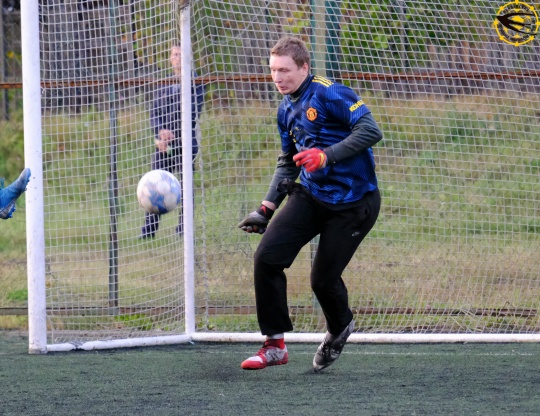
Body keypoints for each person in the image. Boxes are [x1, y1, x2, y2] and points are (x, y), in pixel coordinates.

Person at [237, 36, 383, 372]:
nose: (277, 77)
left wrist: (325, 156)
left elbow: (371, 130)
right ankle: (274, 345)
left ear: (304, 68)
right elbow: (288, 162)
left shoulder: (330, 93)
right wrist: (265, 209)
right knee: (267, 258)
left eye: (285, 70)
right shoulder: (285, 109)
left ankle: (339, 327)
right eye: (273, 70)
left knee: (322, 281)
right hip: (312, 195)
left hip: (354, 203)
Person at [140, 45, 205, 238]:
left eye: (181, 54)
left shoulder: (196, 83)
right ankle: (148, 232)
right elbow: (154, 113)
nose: (177, 57)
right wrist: (159, 134)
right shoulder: (164, 83)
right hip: (163, 146)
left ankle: (183, 230)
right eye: (174, 54)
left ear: (188, 57)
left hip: (185, 144)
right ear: (170, 58)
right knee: (154, 185)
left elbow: (193, 112)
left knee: (185, 187)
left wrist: (173, 133)